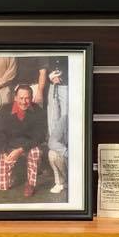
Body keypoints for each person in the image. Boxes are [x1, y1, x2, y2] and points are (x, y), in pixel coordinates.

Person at [0, 84, 46, 197]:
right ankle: (10, 178)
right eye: (21, 98)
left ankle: (30, 184)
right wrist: (4, 151)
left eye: (27, 98)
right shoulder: (4, 111)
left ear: (31, 98)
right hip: (9, 147)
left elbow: (40, 136)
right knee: (3, 186)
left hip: (28, 146)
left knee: (36, 152)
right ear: (15, 98)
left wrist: (21, 150)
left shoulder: (38, 111)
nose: (24, 102)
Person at [46, 61, 68, 194]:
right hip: (54, 84)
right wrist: (51, 76)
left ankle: (75, 179)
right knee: (54, 125)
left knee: (67, 118)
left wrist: (63, 77)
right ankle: (60, 182)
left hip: (68, 85)